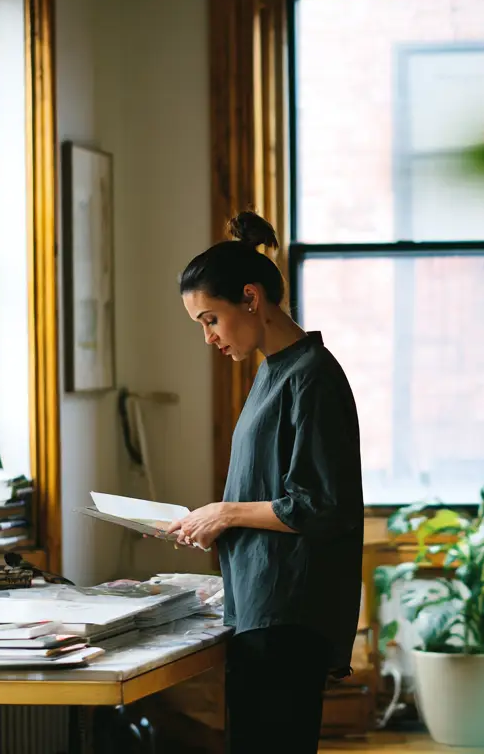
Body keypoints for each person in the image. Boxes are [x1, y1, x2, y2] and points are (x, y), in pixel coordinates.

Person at [167, 211, 364, 753]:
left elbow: (320, 505)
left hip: (288, 614)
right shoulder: (272, 372)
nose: (208, 337)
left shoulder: (312, 377)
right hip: (261, 606)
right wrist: (202, 522)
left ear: (251, 298)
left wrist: (225, 513)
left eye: (210, 319)